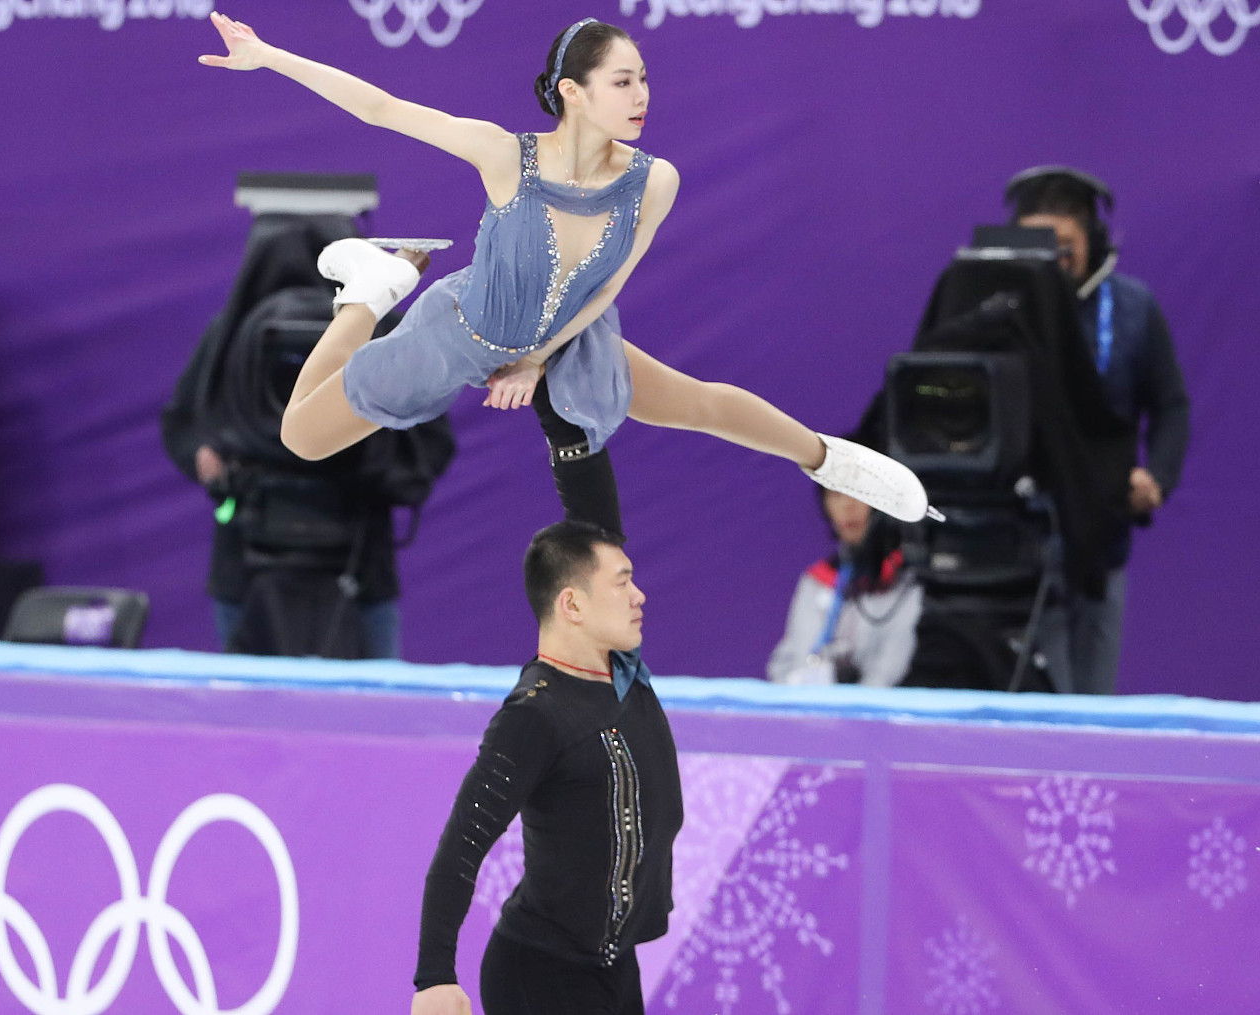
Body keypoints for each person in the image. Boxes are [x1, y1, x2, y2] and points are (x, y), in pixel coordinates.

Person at [197, 14, 932, 531]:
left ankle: (831, 459)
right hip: (463, 329)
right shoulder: (502, 154)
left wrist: (536, 359)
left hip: (569, 334)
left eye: (643, 79)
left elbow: (610, 287)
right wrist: (269, 57)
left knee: (692, 402)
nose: (641, 95)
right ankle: (369, 292)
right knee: (301, 435)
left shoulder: (656, 180)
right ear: (573, 92)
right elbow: (380, 108)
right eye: (622, 82)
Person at [412, 520, 680, 1015]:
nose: (639, 595)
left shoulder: (626, 675)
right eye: (622, 583)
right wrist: (434, 976)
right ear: (572, 605)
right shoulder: (533, 718)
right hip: (541, 977)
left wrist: (574, 445)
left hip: (616, 968)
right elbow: (462, 846)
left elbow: (597, 513)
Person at [161, 213, 456, 657]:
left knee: (354, 708)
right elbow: (182, 422)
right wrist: (204, 457)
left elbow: (430, 437)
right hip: (252, 556)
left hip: (357, 558)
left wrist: (379, 463)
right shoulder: (230, 336)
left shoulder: (383, 333)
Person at [1007, 167, 1191, 694]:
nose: (1053, 258)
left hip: (1097, 536)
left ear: (1094, 240)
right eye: (1037, 242)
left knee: (1087, 702)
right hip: (1013, 533)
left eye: (1064, 244)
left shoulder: (1132, 308)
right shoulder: (993, 301)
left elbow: (1171, 405)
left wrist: (1156, 476)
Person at [767, 489, 920, 687]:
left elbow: (888, 671)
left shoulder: (907, 584)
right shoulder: (815, 580)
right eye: (836, 496)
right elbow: (786, 661)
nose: (848, 506)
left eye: (859, 495)